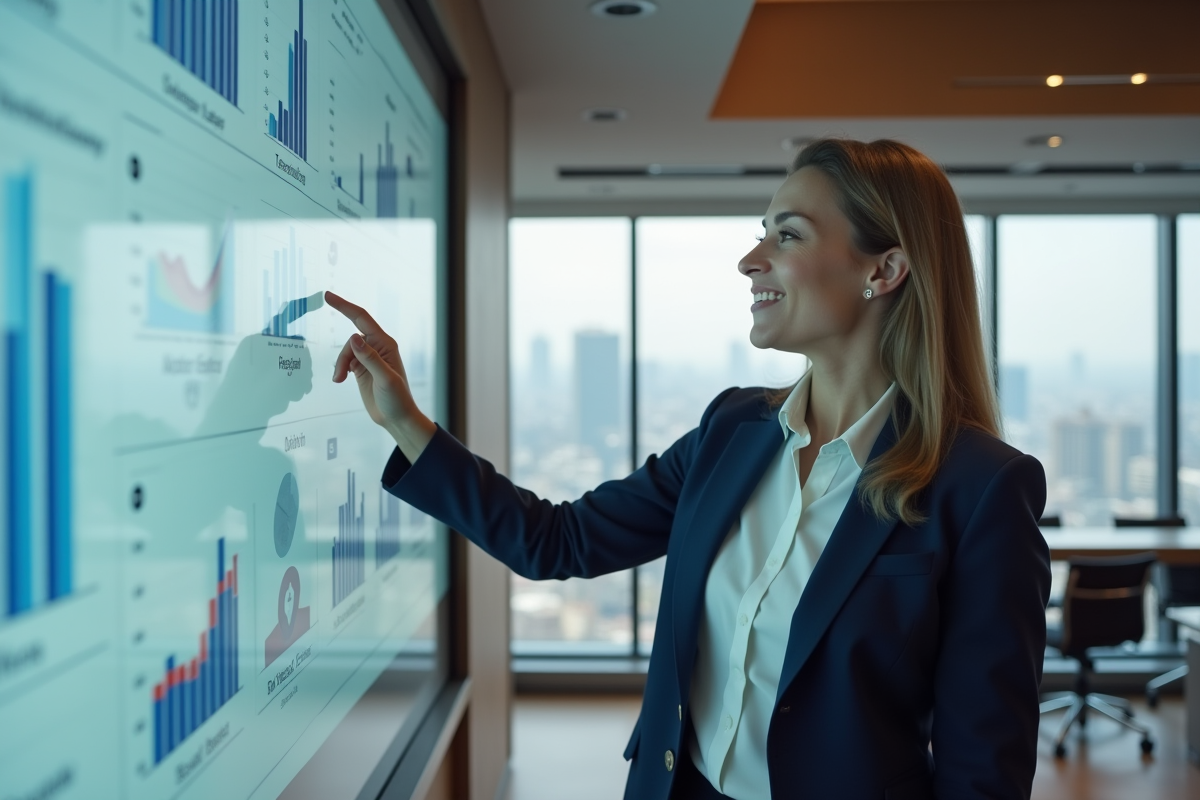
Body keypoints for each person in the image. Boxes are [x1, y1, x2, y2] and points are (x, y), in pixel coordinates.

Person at [325, 138, 1051, 800]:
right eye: (760, 232)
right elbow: (558, 540)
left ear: (884, 269)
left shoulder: (981, 488)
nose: (750, 259)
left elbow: (981, 773)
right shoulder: (731, 432)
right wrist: (405, 423)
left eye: (787, 234)